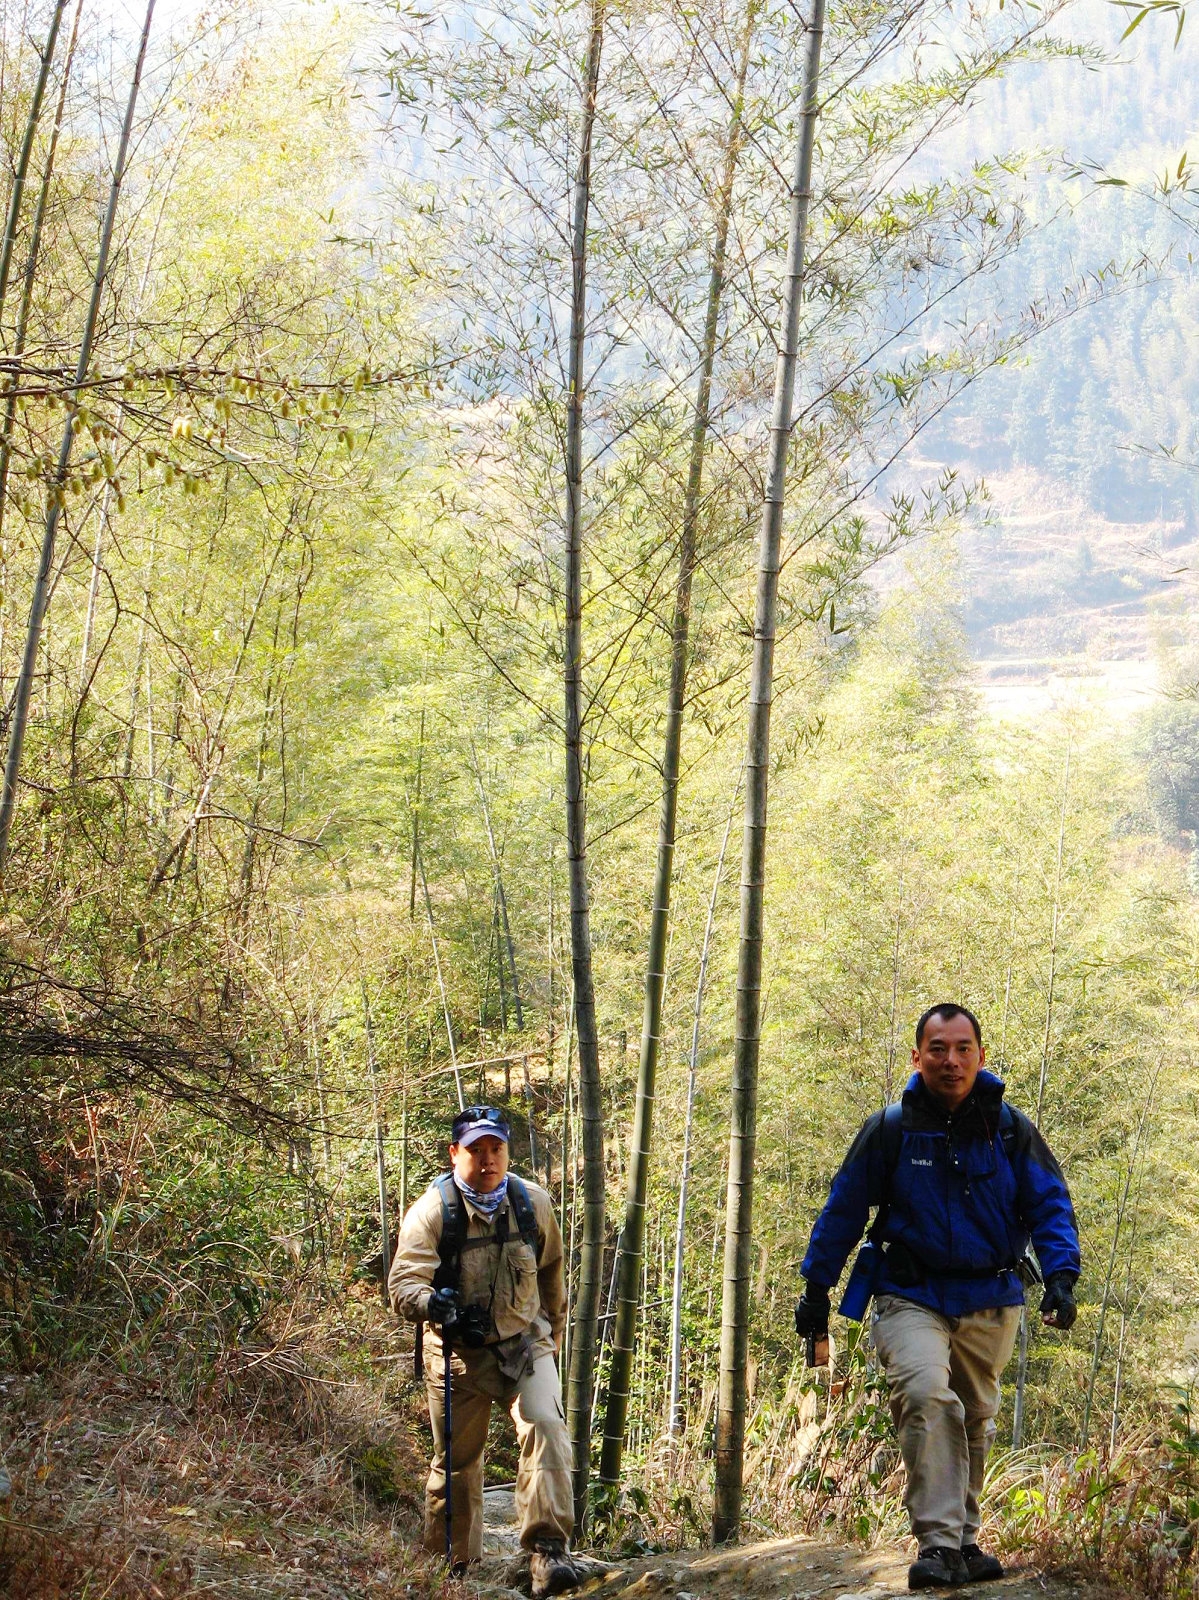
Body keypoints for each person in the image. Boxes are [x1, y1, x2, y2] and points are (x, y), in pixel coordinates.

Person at [793, 1004, 1081, 1592]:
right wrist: (817, 1290)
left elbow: (1050, 1204)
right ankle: (938, 1543)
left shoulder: (1010, 1129)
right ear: (917, 1056)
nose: (951, 1060)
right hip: (910, 1291)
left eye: (962, 1048)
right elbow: (843, 1210)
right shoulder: (892, 1129)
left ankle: (964, 1542)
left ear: (980, 1055)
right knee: (926, 1394)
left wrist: (1061, 1276)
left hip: (990, 1293)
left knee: (974, 1416)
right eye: (938, 1049)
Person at [389, 1105, 579, 1598]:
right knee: (456, 1463)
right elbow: (403, 1283)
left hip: (525, 1344)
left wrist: (552, 1340)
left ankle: (547, 1553)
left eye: (496, 1148)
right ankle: (451, 1569)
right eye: (476, 1150)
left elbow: (553, 1276)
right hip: (457, 1356)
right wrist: (432, 1302)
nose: (488, 1159)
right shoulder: (433, 1212)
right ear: (455, 1153)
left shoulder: (532, 1203)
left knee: (547, 1426)